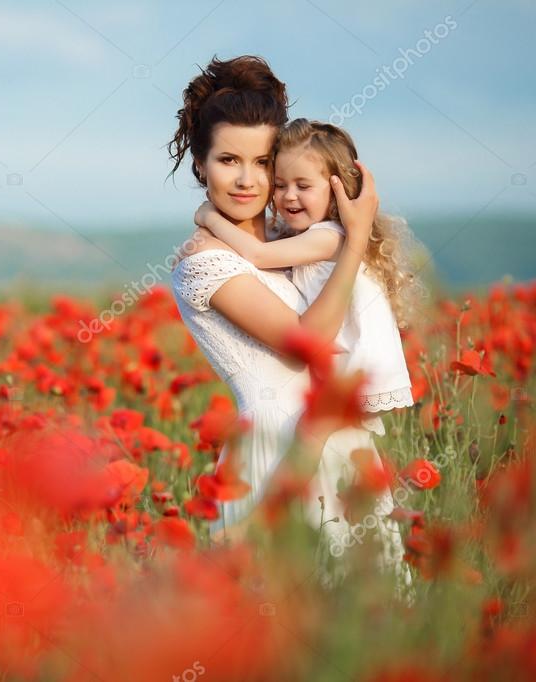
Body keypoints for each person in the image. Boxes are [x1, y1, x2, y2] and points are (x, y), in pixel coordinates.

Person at [168, 56, 407, 580]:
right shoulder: (204, 261)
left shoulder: (287, 243)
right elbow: (310, 341)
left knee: (366, 618)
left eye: (262, 163)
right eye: (229, 160)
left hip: (337, 440)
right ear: (200, 165)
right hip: (277, 448)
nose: (248, 181)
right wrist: (354, 239)